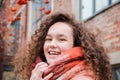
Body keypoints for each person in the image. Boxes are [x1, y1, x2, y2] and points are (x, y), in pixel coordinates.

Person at [13, 12, 113, 80]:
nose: (52, 44)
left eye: (62, 39)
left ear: (75, 44)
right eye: (48, 39)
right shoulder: (39, 72)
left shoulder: (83, 77)